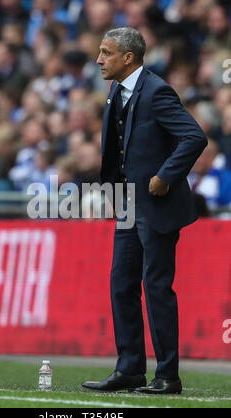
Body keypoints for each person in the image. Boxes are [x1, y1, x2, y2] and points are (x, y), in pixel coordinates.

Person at [82, 27, 208, 395]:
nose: (99, 60)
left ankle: (167, 375)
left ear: (129, 58)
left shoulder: (156, 91)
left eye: (106, 53)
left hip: (156, 205)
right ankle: (130, 369)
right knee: (121, 284)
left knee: (156, 288)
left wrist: (166, 176)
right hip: (127, 205)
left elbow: (194, 136)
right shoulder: (116, 90)